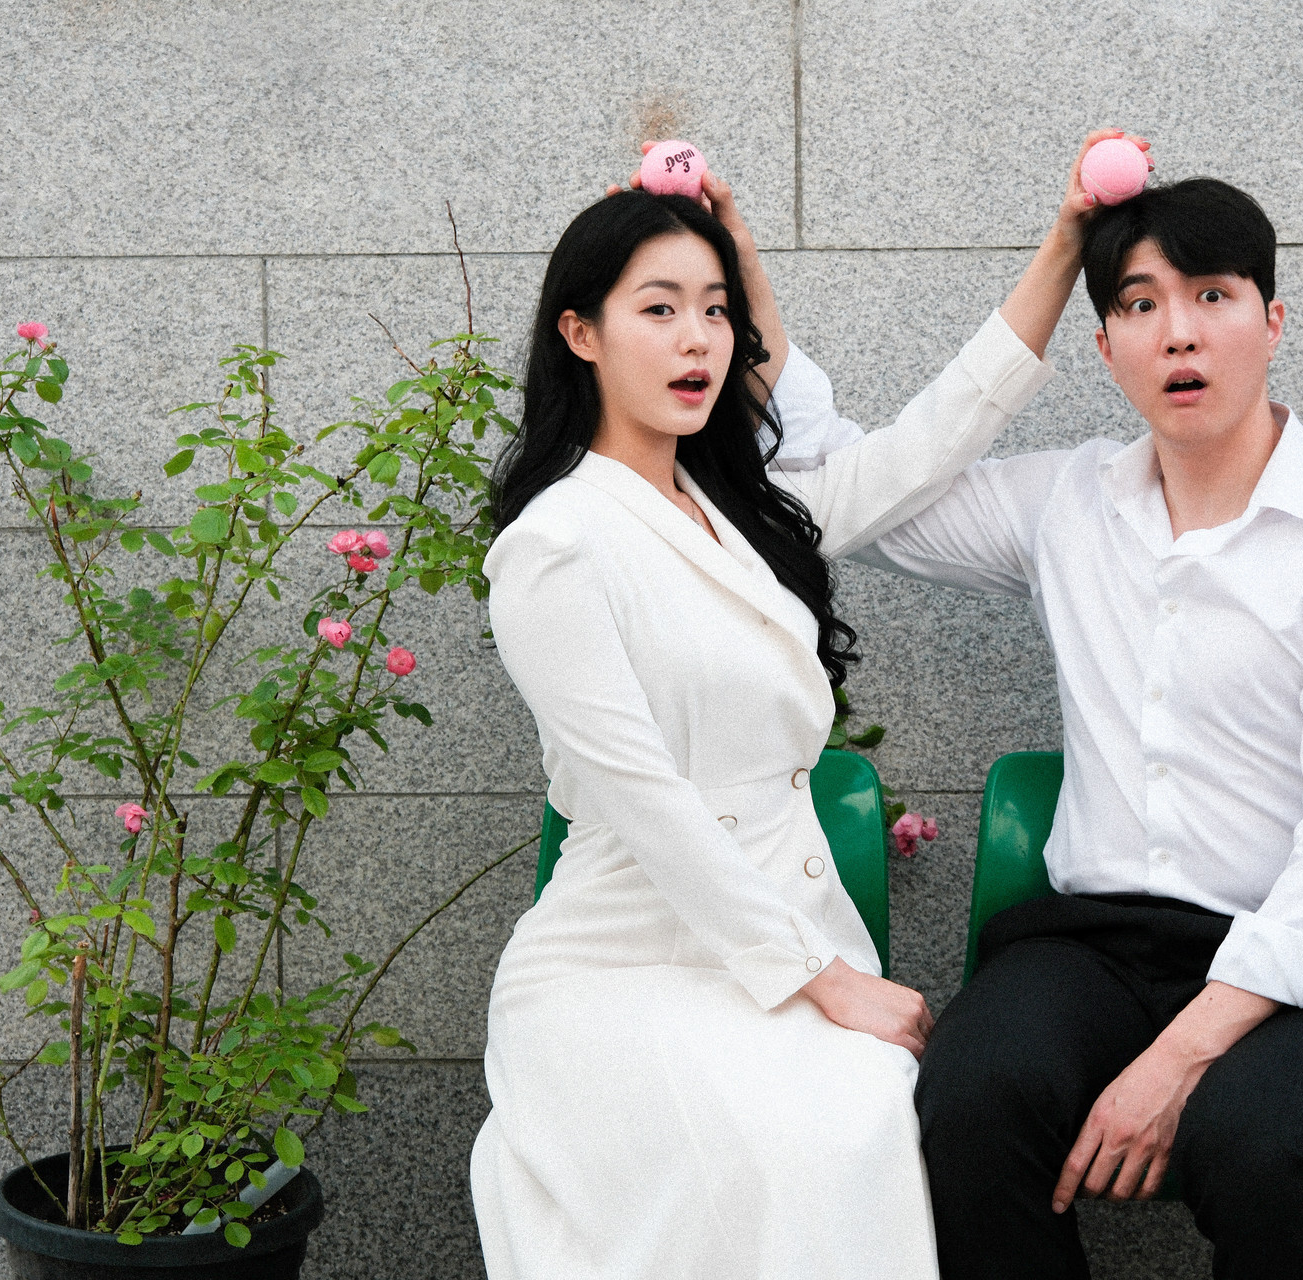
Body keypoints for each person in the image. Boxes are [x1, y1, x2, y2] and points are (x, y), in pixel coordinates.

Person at [765, 177, 1303, 1279]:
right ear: (1105, 348)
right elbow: (846, 488)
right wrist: (738, 277)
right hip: (1090, 947)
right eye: (1141, 305)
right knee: (969, 1102)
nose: (1178, 332)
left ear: (1274, 320)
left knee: (1260, 1147)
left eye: (1212, 295)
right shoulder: (1071, 503)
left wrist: (1176, 1061)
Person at [468, 134, 1137, 1279]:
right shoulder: (555, 544)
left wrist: (1066, 245)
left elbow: (930, 443)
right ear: (580, 333)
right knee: (799, 1145)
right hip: (624, 966)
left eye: (715, 310)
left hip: (783, 939)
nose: (697, 339)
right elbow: (643, 800)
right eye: (659, 309)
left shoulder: (747, 514)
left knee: (862, 1122)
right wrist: (826, 980)